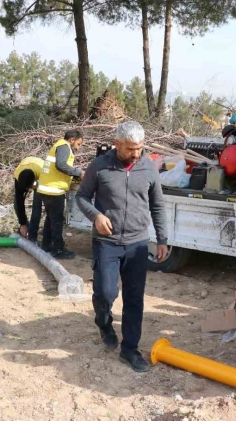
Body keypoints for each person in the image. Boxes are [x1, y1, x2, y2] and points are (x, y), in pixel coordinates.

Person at [75, 121, 168, 373]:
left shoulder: (149, 167)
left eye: (139, 148)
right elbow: (81, 196)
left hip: (137, 244)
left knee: (134, 298)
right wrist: (96, 216)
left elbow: (158, 205)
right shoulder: (100, 166)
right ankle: (103, 322)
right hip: (107, 243)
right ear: (117, 144)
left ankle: (130, 349)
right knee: (106, 293)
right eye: (130, 149)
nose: (136, 154)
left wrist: (162, 238)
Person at [35, 130, 85, 259]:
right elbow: (61, 165)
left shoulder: (58, 145)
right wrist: (78, 173)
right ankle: (57, 249)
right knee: (57, 221)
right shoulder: (64, 146)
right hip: (53, 190)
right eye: (78, 144)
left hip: (45, 189)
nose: (78, 148)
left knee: (50, 219)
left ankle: (46, 245)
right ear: (72, 139)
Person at [13, 156, 44, 243]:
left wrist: (35, 186)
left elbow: (37, 208)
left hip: (40, 176)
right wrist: (23, 223)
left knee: (37, 206)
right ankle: (25, 227)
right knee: (16, 202)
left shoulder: (43, 171)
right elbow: (19, 200)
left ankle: (32, 235)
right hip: (26, 169)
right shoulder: (17, 175)